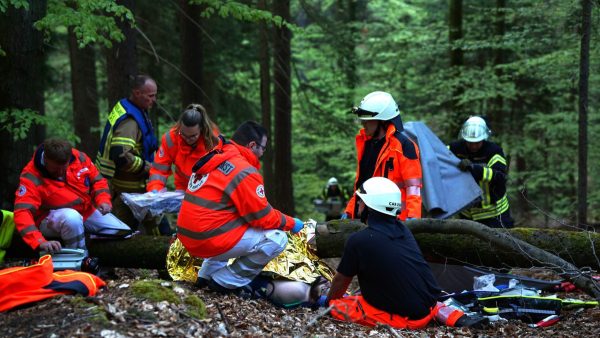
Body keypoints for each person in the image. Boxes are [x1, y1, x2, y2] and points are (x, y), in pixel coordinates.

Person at [177, 121, 305, 293]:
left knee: (227, 222)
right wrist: (291, 223)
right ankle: (224, 281)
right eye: (263, 148)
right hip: (207, 238)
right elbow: (262, 217)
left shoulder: (215, 156)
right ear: (252, 145)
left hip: (188, 236)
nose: (262, 153)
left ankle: (205, 275)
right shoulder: (244, 171)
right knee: (277, 238)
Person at [326, 177, 441, 329]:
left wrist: (328, 302)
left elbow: (341, 282)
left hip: (406, 319)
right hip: (429, 309)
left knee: (336, 305)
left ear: (370, 205)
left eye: (361, 200)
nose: (358, 204)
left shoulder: (358, 240)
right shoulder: (403, 230)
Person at [13, 138, 130, 258]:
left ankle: (103, 269)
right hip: (48, 219)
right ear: (46, 159)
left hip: (85, 210)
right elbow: (22, 212)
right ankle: (79, 264)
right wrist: (39, 241)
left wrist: (104, 200)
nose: (60, 172)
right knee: (71, 218)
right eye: (55, 169)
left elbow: (98, 181)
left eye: (64, 168)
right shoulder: (31, 176)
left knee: (123, 232)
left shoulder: (79, 157)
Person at [95, 75, 166, 234]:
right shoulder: (130, 121)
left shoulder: (126, 107)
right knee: (157, 229)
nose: (154, 100)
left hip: (126, 187)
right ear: (137, 93)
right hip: (132, 187)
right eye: (150, 96)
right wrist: (149, 167)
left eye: (155, 95)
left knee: (126, 229)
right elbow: (121, 156)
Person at [344, 91, 422, 221]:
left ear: (382, 121)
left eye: (367, 120)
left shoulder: (404, 146)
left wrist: (413, 217)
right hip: (365, 218)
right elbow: (362, 184)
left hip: (394, 221)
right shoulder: (366, 144)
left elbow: (413, 187)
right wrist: (349, 211)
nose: (363, 123)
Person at [449, 116, 513, 228]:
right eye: (470, 142)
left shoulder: (494, 151)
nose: (473, 146)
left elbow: (500, 176)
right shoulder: (454, 149)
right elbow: (437, 156)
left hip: (495, 213)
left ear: (484, 138)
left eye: (477, 142)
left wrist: (475, 169)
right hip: (467, 213)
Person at [147, 103, 219, 193]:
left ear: (202, 129)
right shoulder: (171, 139)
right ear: (180, 127)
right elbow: (159, 170)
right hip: (182, 189)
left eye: (193, 136)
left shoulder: (214, 142)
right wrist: (155, 189)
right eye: (184, 135)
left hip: (206, 190)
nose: (188, 139)